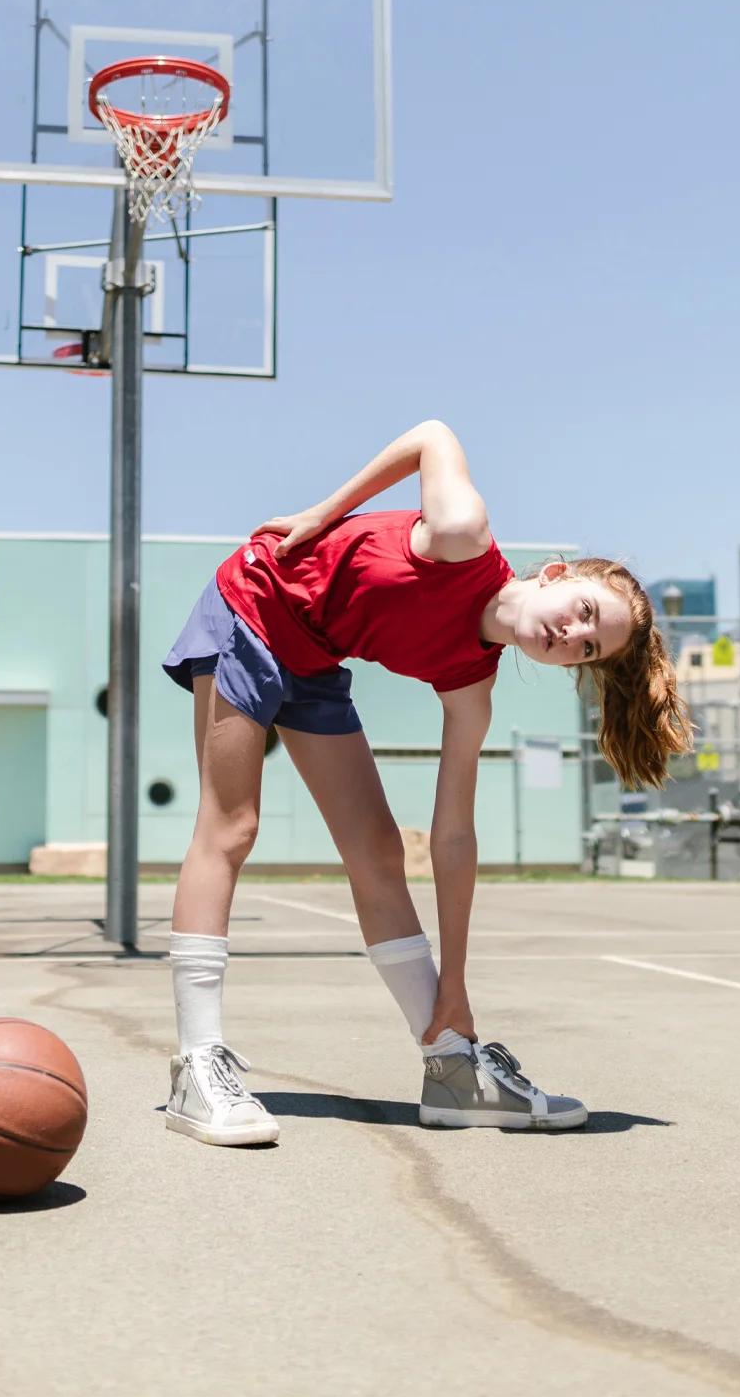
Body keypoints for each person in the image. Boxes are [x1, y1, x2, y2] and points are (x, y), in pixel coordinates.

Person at [161, 420, 692, 1145]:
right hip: (252, 605)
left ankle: (451, 1065)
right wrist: (323, 512)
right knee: (233, 825)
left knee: (380, 853)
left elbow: (453, 837)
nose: (572, 637)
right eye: (584, 614)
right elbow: (432, 434)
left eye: (588, 650)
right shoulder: (462, 533)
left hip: (312, 656)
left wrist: (458, 984)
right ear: (557, 576)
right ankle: (197, 1066)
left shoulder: (471, 687)